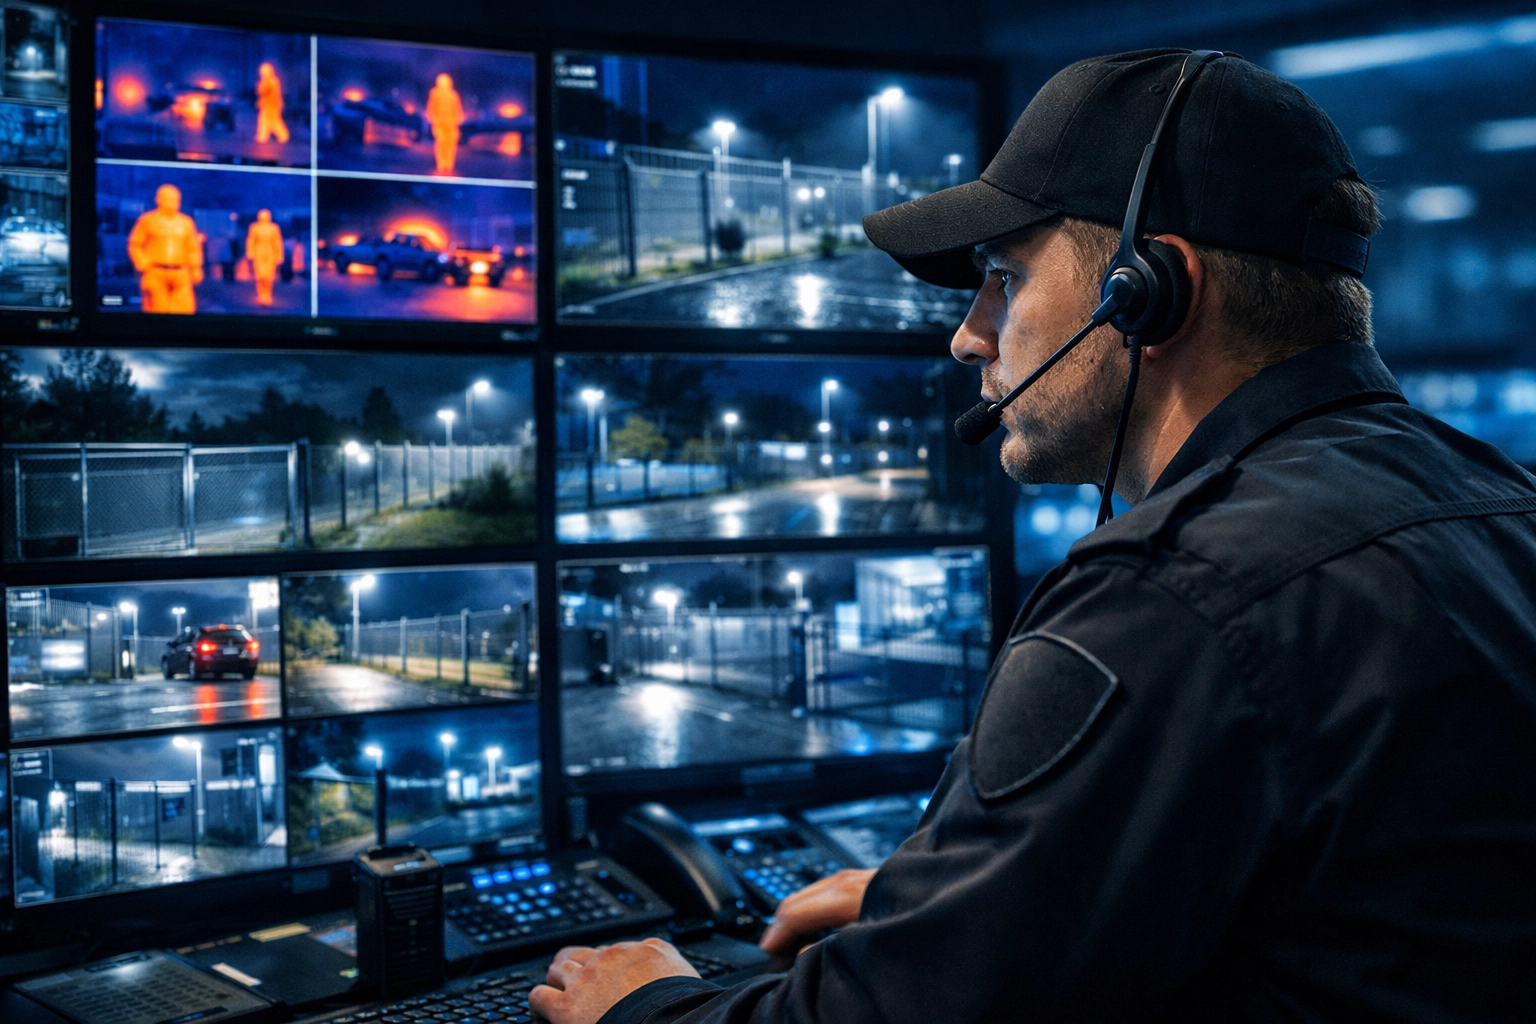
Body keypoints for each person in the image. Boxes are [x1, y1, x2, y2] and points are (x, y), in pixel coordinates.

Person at [528, 50, 1536, 1024]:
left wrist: (650, 1002)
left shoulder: (1171, 593)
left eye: (1004, 278)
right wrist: (989, 892)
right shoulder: (1501, 506)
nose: (969, 333)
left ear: (1146, 292)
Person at [127, 183, 202, 314]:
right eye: (167, 199)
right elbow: (135, 243)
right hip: (155, 271)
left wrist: (195, 268)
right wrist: (141, 262)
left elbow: (192, 247)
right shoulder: (147, 220)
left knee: (184, 310)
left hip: (181, 272)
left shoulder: (186, 222)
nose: (172, 203)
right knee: (157, 311)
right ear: (158, 199)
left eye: (175, 200)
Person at [425, 72, 464, 174]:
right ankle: (441, 165)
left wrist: (459, 118)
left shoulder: (453, 95)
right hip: (439, 122)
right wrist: (432, 119)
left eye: (446, 82)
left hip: (451, 123)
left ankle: (449, 165)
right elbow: (431, 107)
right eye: (442, 82)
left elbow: (458, 109)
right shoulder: (434, 93)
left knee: (450, 145)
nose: (444, 84)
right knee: (441, 143)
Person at [245, 208, 284, 306]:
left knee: (269, 275)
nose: (264, 218)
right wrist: (250, 252)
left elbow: (277, 242)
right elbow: (251, 240)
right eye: (262, 216)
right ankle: (261, 294)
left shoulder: (274, 228)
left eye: (266, 216)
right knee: (260, 275)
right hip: (259, 252)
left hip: (270, 252)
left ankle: (267, 295)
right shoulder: (254, 227)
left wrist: (279, 255)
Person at [255, 62, 289, 145]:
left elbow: (261, 91)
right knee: (264, 120)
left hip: (272, 104)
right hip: (270, 104)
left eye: (263, 72)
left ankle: (283, 136)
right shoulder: (272, 80)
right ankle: (263, 136)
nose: (261, 74)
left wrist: (260, 84)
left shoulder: (270, 81)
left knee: (273, 121)